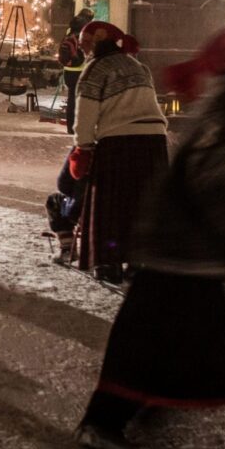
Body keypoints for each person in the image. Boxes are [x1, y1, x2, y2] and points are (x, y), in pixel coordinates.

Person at [76, 21, 225, 449]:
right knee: (180, 348)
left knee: (171, 344)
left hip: (180, 245)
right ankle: (110, 426)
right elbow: (212, 180)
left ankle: (114, 424)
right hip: (186, 249)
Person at [70, 21, 168, 283]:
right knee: (143, 204)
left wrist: (83, 148)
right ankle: (140, 260)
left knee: (110, 204)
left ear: (98, 42)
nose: (83, 46)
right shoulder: (139, 66)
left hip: (118, 141)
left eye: (87, 41)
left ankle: (107, 261)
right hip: (154, 142)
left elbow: (86, 114)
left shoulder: (95, 69)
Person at [58, 8, 94, 134]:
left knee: (71, 98)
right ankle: (80, 127)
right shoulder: (85, 34)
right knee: (82, 100)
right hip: (81, 70)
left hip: (68, 70)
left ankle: (70, 127)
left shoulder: (69, 31)